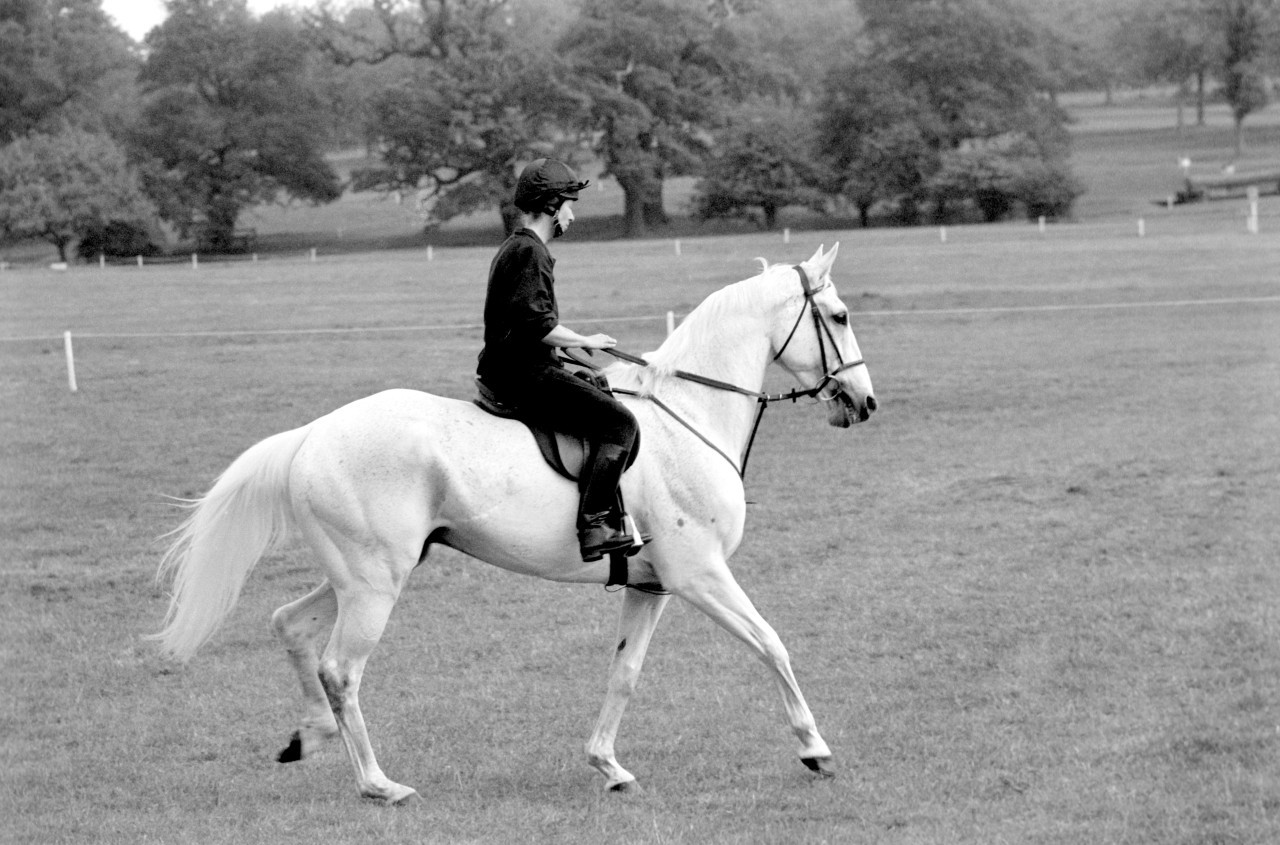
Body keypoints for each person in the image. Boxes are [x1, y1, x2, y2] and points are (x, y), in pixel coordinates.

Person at [477, 158, 642, 562]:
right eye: (569, 202)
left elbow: (529, 319)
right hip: (523, 375)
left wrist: (574, 347)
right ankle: (594, 525)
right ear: (551, 205)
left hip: (517, 366)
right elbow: (537, 324)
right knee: (620, 423)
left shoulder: (519, 246)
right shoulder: (531, 251)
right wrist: (582, 338)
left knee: (599, 385)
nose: (572, 212)